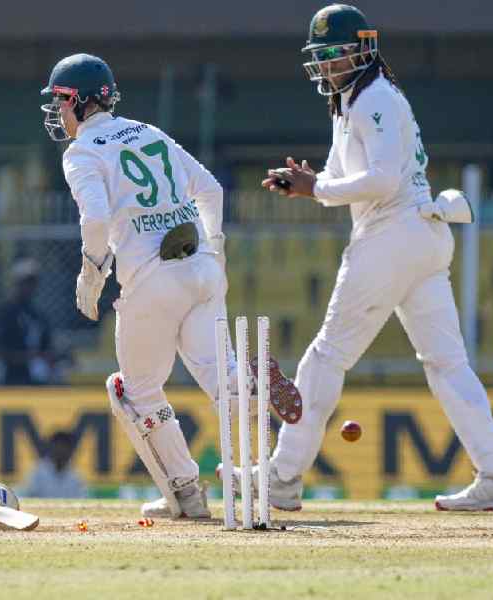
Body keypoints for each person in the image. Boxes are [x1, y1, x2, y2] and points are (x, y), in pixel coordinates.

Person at [259, 4, 493, 512]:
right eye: (322, 56)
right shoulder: (350, 101)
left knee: (326, 355)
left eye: (336, 55)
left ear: (364, 49)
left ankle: (283, 477)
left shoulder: (375, 96)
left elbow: (381, 181)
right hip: (418, 235)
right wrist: (308, 183)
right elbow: (339, 174)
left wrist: (319, 190)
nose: (329, 65)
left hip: (395, 233)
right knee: (448, 365)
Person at [40, 53, 302, 519]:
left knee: (132, 390)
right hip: (202, 268)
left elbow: (96, 218)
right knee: (220, 376)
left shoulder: (81, 152)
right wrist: (215, 248)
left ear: (80, 101)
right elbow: (212, 190)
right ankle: (250, 385)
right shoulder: (148, 131)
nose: (58, 112)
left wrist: (91, 274)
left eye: (60, 101)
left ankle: (185, 493)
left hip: (151, 279)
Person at [0, 258, 55, 385]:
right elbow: (0, 350)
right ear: (16, 284)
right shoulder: (6, 313)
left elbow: (46, 345)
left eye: (32, 283)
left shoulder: (38, 315)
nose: (29, 287)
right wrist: (28, 357)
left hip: (40, 378)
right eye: (25, 282)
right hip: (16, 379)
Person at [23, 431, 87, 499]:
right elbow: (29, 498)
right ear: (51, 447)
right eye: (58, 446)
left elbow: (81, 501)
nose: (61, 450)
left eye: (64, 447)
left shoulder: (76, 476)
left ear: (71, 450)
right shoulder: (37, 472)